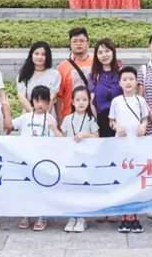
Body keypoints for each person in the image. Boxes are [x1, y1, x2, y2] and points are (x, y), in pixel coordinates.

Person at [13, 85, 62, 232]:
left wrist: (53, 128)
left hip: (43, 160)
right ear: (32, 101)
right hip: (26, 158)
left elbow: (56, 140)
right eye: (37, 101)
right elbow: (9, 125)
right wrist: (5, 108)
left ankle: (42, 215)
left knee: (42, 187)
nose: (40, 104)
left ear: (48, 103)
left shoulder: (50, 119)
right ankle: (26, 214)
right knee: (27, 187)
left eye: (43, 101)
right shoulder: (25, 117)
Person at [109, 67, 147, 233]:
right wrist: (116, 127)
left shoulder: (141, 100)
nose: (128, 82)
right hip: (121, 145)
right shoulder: (116, 101)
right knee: (123, 179)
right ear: (120, 83)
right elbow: (111, 121)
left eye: (131, 79)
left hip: (137, 145)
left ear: (136, 81)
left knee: (136, 179)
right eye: (124, 79)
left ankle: (136, 216)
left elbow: (145, 118)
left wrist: (144, 126)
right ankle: (124, 216)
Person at [61, 86, 100, 232]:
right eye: (78, 100)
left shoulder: (91, 119)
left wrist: (85, 135)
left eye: (84, 99)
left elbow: (97, 137)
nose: (81, 102)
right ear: (72, 102)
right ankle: (71, 216)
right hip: (71, 159)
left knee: (82, 188)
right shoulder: (67, 119)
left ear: (89, 101)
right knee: (71, 187)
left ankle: (82, 218)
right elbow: (62, 137)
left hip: (85, 159)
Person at [57, 27, 94, 126]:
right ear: (70, 44)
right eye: (74, 41)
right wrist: (60, 120)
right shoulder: (62, 67)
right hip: (70, 118)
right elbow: (58, 97)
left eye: (81, 41)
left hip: (94, 116)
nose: (78, 44)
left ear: (88, 43)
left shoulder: (97, 62)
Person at [88, 38, 122, 137]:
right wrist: (95, 124)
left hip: (121, 119)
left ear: (113, 52)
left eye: (107, 51)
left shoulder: (121, 73)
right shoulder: (93, 76)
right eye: (100, 52)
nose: (104, 55)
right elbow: (92, 102)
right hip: (101, 121)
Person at [17, 41, 60, 118]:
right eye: (36, 54)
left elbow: (52, 98)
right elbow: (22, 97)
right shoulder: (23, 74)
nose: (39, 57)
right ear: (31, 55)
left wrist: (43, 116)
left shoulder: (54, 74)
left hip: (48, 117)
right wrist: (34, 115)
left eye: (43, 54)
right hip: (28, 117)